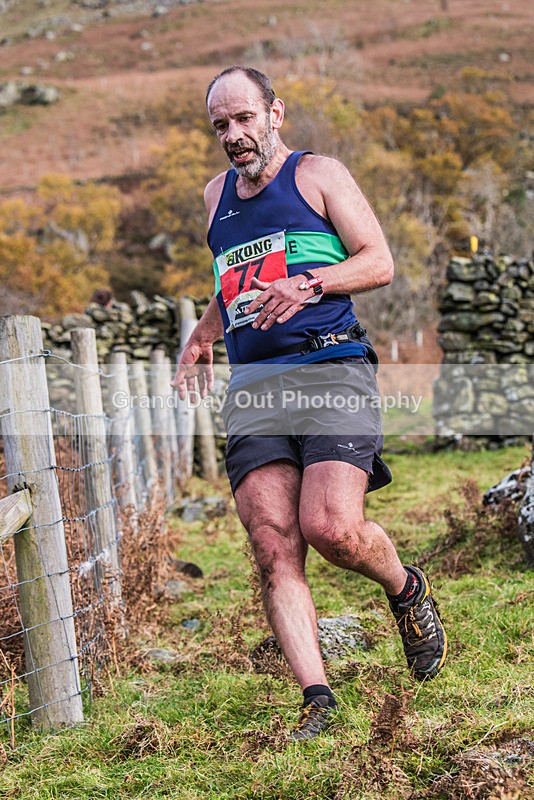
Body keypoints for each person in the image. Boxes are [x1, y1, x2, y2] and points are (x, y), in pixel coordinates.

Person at [171, 66, 447, 741]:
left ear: (275, 113)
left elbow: (378, 261)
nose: (234, 136)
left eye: (243, 119)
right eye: (221, 127)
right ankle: (317, 698)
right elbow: (233, 280)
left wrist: (312, 284)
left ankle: (406, 588)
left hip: (331, 365)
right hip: (256, 384)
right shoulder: (216, 197)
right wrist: (205, 333)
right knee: (272, 543)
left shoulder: (317, 175)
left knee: (332, 530)